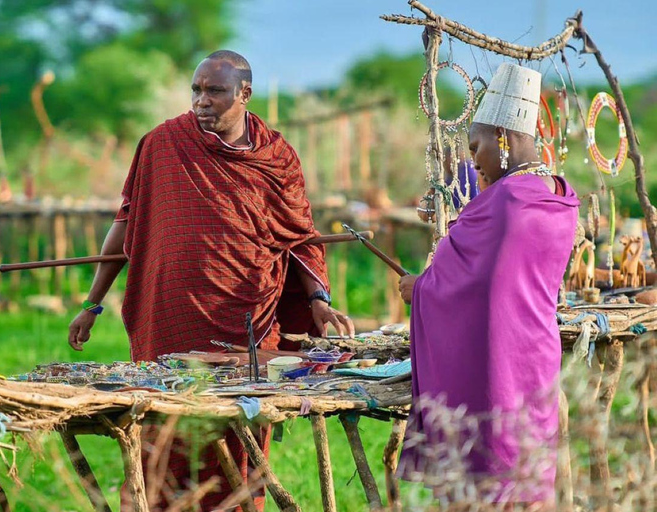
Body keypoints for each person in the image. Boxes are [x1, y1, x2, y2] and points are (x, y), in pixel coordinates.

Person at [67, 50, 353, 511]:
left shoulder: (275, 158)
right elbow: (126, 223)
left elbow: (298, 237)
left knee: (238, 433)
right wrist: (92, 303)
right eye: (196, 90)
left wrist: (318, 298)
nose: (202, 101)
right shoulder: (161, 144)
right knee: (165, 426)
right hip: (169, 317)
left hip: (248, 321)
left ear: (245, 94)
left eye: (214, 91)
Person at [397, 63, 580, 509]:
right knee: (529, 473)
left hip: (497, 367)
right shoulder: (561, 196)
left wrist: (419, 289)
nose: (473, 159)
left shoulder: (501, 202)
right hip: (537, 358)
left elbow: (465, 287)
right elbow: (498, 281)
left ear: (502, 137)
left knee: (489, 476)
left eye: (476, 145)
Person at [416, 144, 480, 223]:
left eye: (446, 159)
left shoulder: (469, 171)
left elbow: (475, 199)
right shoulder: (449, 178)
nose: (445, 163)